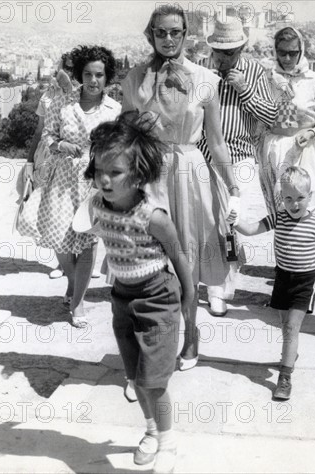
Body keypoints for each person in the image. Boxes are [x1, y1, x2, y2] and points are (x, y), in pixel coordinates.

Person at [121, 5, 240, 371]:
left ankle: (191, 336)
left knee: (187, 257)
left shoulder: (205, 79)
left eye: (176, 32)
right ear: (150, 34)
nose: (168, 39)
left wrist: (233, 187)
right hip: (150, 171)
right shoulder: (135, 78)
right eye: (161, 32)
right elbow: (127, 134)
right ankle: (149, 350)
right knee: (146, 260)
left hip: (191, 171)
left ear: (186, 34)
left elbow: (216, 141)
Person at [81, 111, 193, 473]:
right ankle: (150, 431)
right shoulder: (97, 206)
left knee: (152, 380)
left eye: (115, 172)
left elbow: (178, 255)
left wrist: (189, 300)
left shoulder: (153, 217)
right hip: (122, 299)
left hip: (158, 297)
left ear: (139, 173)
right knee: (133, 375)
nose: (105, 179)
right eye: (100, 171)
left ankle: (169, 443)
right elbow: (100, 239)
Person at [199, 17, 278, 317]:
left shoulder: (256, 71)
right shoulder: (200, 69)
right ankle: (215, 289)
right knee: (212, 224)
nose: (224, 58)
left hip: (242, 155)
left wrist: (245, 90)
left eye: (231, 52)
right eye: (220, 51)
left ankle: (226, 277)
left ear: (242, 47)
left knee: (236, 225)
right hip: (205, 155)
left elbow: (271, 116)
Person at [236, 166, 315, 400]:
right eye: (288, 198)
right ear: (282, 198)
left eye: (300, 198)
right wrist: (233, 221)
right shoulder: (278, 218)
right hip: (282, 278)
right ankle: (291, 353)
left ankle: (285, 376)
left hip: (305, 281)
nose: (294, 204)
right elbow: (250, 229)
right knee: (284, 325)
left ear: (309, 197)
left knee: (292, 326)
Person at [39, 45, 121, 328]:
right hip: (62, 178)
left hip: (95, 182)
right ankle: (74, 284)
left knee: (87, 241)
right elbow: (48, 135)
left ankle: (78, 302)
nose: (94, 80)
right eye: (88, 73)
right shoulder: (62, 101)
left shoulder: (114, 110)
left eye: (100, 74)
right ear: (79, 75)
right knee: (59, 238)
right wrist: (61, 144)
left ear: (107, 77)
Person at [258, 27, 315, 216]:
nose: (286, 59)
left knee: (305, 212)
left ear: (301, 51)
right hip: (275, 152)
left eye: (292, 53)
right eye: (282, 53)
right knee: (279, 213)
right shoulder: (266, 79)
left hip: (306, 151)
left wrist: (312, 133)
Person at [25, 52, 75, 280]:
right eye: (68, 67)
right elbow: (39, 131)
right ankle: (62, 264)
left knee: (77, 207)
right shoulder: (47, 96)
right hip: (48, 155)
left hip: (75, 156)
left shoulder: (84, 96)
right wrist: (28, 161)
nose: (70, 72)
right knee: (52, 207)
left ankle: (80, 262)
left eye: (75, 68)